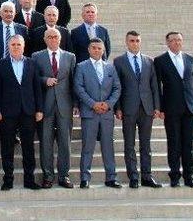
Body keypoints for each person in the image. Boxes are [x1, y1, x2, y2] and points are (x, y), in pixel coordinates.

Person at [0, 35, 43, 190]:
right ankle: (8, 179)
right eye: (13, 44)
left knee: (28, 146)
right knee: (7, 147)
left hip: (28, 111)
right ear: (9, 46)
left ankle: (29, 179)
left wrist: (39, 109)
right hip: (7, 113)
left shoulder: (32, 64)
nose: (16, 47)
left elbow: (37, 89)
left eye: (18, 44)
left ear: (23, 46)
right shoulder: (0, 65)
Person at [154, 32, 193, 188]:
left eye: (179, 40)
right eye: (173, 40)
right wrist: (160, 108)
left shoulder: (190, 59)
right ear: (167, 43)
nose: (176, 42)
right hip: (171, 109)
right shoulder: (160, 61)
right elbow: (157, 87)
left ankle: (189, 176)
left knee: (188, 144)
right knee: (174, 143)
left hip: (190, 108)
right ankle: (174, 176)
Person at [113, 31, 161, 189]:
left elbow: (154, 86)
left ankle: (147, 176)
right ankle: (133, 176)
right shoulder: (119, 61)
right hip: (128, 108)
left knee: (145, 144)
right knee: (129, 144)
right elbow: (117, 87)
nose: (134, 43)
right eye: (132, 41)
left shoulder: (149, 61)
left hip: (146, 108)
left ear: (140, 42)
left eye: (137, 40)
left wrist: (156, 107)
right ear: (126, 42)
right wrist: (118, 108)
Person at [31, 28, 77, 189]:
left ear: (60, 39)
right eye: (49, 37)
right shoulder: (37, 56)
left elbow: (74, 82)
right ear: (45, 39)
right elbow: (34, 79)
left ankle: (64, 176)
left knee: (65, 142)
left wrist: (76, 104)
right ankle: (48, 176)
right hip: (45, 105)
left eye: (55, 37)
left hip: (65, 105)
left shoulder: (70, 57)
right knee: (46, 142)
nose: (53, 39)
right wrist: (45, 80)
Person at [74, 38, 122, 189]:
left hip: (107, 113)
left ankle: (111, 177)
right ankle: (85, 178)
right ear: (89, 50)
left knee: (108, 146)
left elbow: (117, 88)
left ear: (103, 50)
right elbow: (79, 87)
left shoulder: (110, 68)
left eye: (99, 48)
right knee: (87, 146)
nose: (96, 50)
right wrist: (93, 104)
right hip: (90, 112)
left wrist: (108, 104)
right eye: (93, 48)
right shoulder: (81, 67)